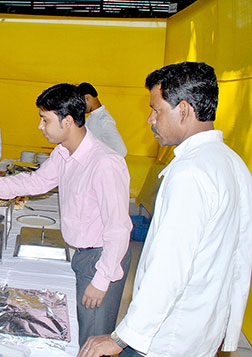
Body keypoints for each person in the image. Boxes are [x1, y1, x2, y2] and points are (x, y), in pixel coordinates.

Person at [80, 62, 252, 357]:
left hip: (165, 337)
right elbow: (241, 257)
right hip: (201, 332)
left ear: (183, 110)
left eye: (156, 110)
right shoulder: (232, 162)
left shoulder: (190, 172)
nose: (150, 119)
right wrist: (229, 328)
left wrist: (120, 338)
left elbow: (169, 268)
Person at [0, 83, 132, 346]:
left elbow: (119, 228)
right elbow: (35, 183)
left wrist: (102, 279)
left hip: (102, 256)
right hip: (84, 252)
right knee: (85, 329)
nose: (40, 126)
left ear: (68, 121)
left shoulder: (104, 162)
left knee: (94, 338)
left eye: (45, 119)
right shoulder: (64, 153)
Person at [78, 82, 127, 157]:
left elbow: (122, 150)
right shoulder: (91, 117)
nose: (81, 107)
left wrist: (102, 163)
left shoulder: (104, 120)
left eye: (81, 103)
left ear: (87, 98)